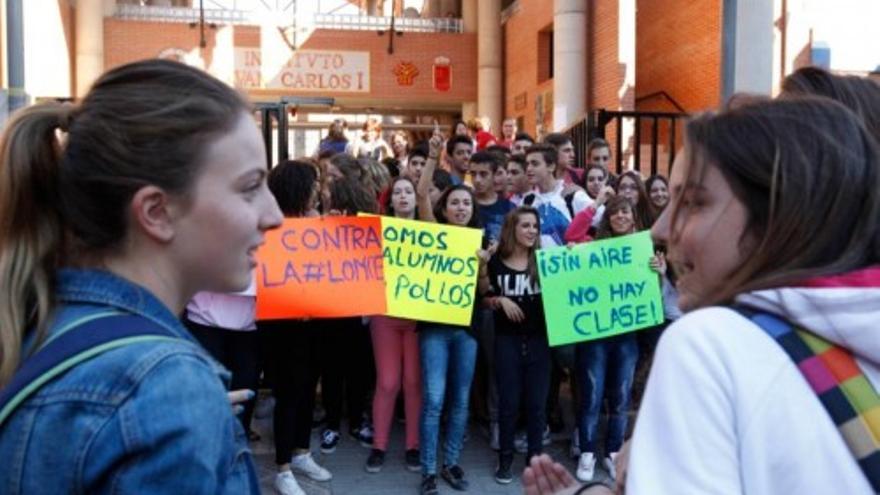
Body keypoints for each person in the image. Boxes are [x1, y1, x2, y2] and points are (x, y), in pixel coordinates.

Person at [0, 59, 281, 493]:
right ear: (156, 212)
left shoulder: (31, 322)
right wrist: (177, 411)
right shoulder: (166, 387)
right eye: (249, 187)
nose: (274, 215)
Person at [568, 195, 662, 482]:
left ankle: (612, 452)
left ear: (633, 216)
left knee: (620, 398)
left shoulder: (644, 250)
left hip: (626, 337)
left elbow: (650, 296)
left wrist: (660, 273)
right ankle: (587, 453)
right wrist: (573, 256)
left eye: (625, 211)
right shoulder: (592, 246)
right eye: (615, 212)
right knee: (592, 398)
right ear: (608, 218)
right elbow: (572, 241)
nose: (620, 216)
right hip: (594, 335)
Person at [415, 131, 486, 495]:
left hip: (467, 331)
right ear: (444, 209)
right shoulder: (435, 233)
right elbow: (422, 194)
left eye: (466, 204)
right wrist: (432, 157)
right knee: (435, 401)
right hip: (434, 331)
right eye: (455, 203)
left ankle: (451, 463)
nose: (461, 208)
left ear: (473, 211)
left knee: (460, 402)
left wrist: (483, 267)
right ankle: (428, 469)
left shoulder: (479, 244)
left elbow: (484, 293)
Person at [263, 160, 334, 495]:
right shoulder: (268, 225)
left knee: (308, 389)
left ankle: (302, 451)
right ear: (295, 188)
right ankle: (283, 468)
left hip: (314, 322)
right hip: (280, 324)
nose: (318, 190)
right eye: (313, 184)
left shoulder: (317, 222)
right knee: (288, 393)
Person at [480, 207, 551, 484]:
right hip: (506, 340)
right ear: (513, 228)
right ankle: (506, 457)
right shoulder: (496, 261)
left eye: (535, 226)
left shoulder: (545, 261)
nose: (532, 230)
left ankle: (535, 460)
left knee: (536, 405)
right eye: (525, 226)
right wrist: (500, 300)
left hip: (539, 341)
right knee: (508, 403)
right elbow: (484, 296)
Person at [365, 176, 424, 474]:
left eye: (408, 192)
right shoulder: (377, 232)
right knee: (388, 382)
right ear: (390, 201)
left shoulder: (431, 232)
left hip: (416, 317)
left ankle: (413, 446)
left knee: (413, 382)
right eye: (397, 192)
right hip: (385, 316)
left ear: (416, 197)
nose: (403, 196)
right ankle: (379, 445)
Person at [184, 284, 262, 442]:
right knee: (207, 388)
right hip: (203, 318)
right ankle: (208, 442)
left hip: (249, 322)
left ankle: (240, 437)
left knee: (246, 385)